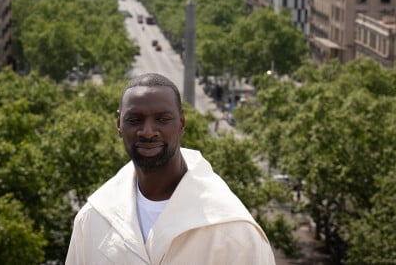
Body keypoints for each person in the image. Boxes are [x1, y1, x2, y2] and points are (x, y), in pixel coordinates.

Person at [65, 73, 275, 264]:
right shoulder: (93, 219)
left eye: (162, 119)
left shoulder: (234, 231)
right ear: (119, 125)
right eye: (134, 119)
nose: (147, 132)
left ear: (182, 123)